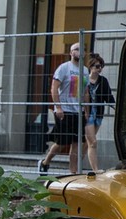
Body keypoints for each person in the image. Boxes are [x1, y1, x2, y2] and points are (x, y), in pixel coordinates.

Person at [38, 42, 89, 174]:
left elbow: (86, 92)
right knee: (62, 142)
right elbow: (54, 87)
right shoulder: (64, 68)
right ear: (71, 53)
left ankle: (73, 171)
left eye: (82, 49)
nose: (80, 52)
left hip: (79, 111)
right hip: (65, 110)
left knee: (77, 143)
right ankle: (45, 162)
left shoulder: (85, 70)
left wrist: (87, 111)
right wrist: (58, 107)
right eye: (77, 49)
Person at [82, 52, 115, 173]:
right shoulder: (84, 80)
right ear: (90, 67)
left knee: (88, 143)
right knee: (93, 142)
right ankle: (95, 170)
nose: (99, 68)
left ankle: (77, 162)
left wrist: (116, 106)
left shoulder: (103, 80)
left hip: (98, 114)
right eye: (97, 66)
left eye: (101, 66)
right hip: (87, 114)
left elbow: (109, 96)